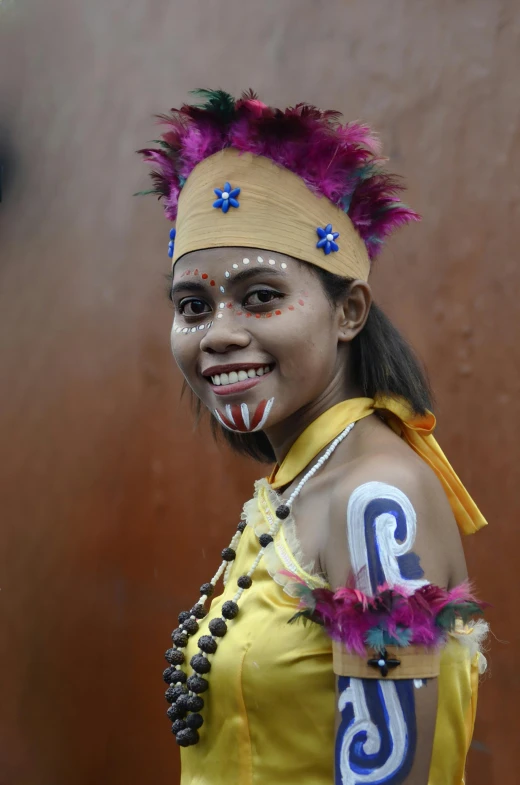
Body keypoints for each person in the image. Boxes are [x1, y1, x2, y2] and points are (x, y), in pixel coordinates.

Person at [139, 89, 488, 785]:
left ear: (348, 310)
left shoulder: (373, 500)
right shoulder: (304, 482)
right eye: (193, 306)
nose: (220, 334)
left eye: (261, 296)